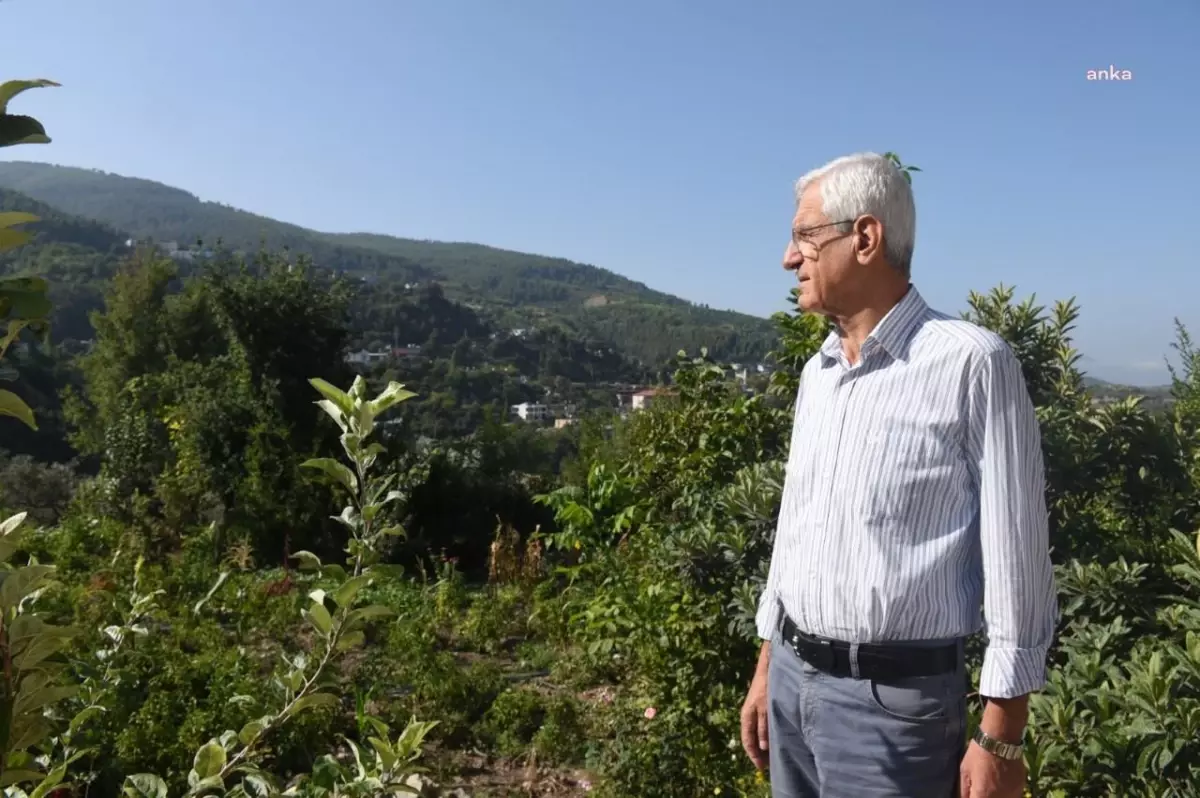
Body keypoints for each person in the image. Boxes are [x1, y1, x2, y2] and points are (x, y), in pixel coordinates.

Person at [739, 152, 1058, 798]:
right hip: (793, 689)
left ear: (865, 238)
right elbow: (795, 530)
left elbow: (1018, 564)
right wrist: (768, 664)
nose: (788, 257)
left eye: (804, 236)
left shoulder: (972, 364)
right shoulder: (817, 373)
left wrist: (1001, 736)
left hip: (894, 712)